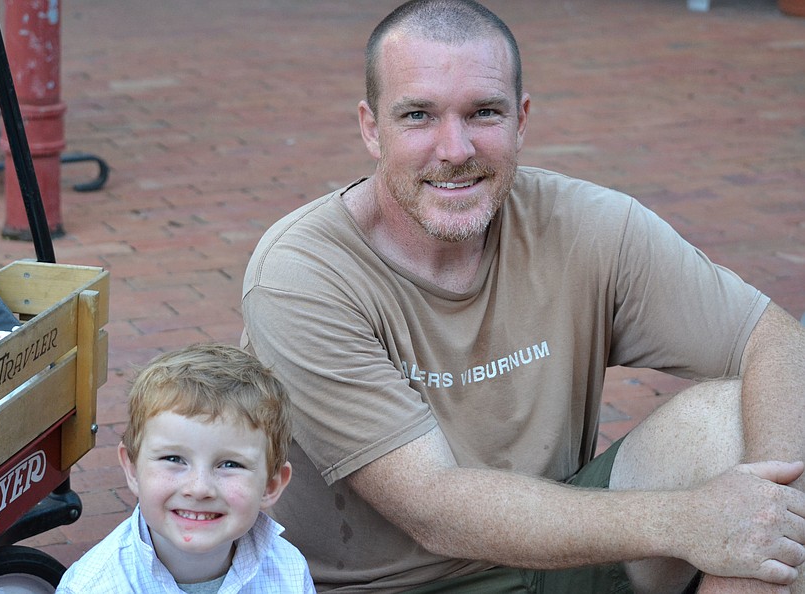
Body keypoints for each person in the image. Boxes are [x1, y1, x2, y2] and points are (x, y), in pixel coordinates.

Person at [240, 1, 805, 592]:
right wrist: (696, 520)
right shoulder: (302, 276)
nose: (455, 149)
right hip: (396, 585)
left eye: (483, 112)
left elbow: (776, 339)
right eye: (418, 116)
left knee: (736, 424)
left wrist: (767, 514)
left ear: (521, 118)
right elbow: (433, 509)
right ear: (370, 127)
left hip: (557, 556)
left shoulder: (585, 224)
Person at [56, 343, 316, 593]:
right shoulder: (92, 587)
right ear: (133, 469)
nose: (199, 488)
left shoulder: (288, 571)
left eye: (230, 464)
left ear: (270, 486)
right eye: (173, 459)